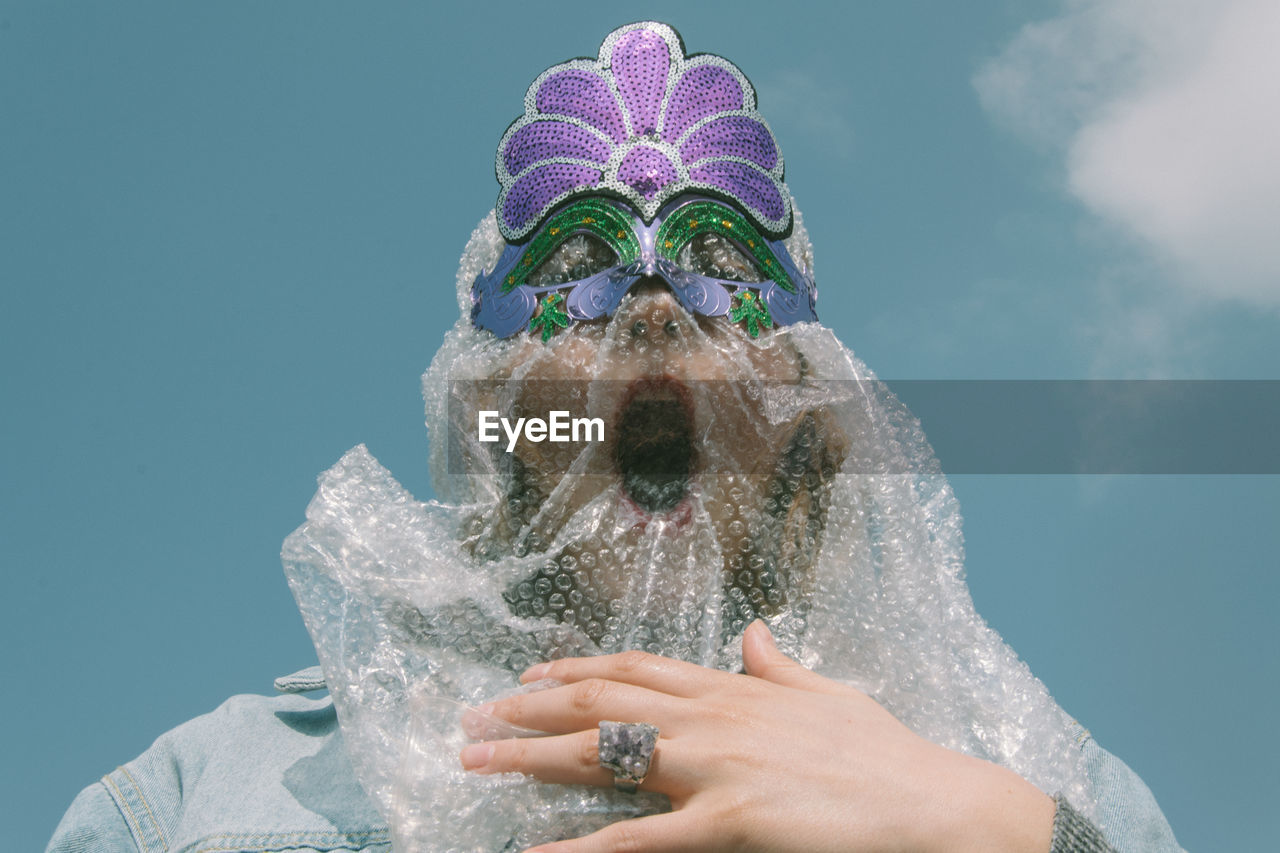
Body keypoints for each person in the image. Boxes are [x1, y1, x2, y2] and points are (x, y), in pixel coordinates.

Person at [47, 21, 1183, 853]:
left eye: (722, 271)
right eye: (577, 269)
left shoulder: (1024, 780)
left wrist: (988, 830)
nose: (650, 308)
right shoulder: (215, 789)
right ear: (496, 425)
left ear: (816, 436)